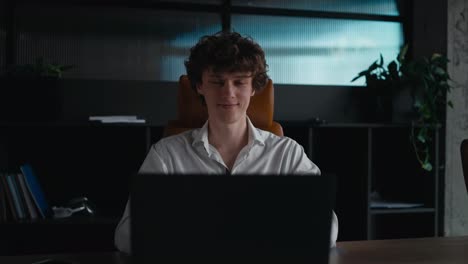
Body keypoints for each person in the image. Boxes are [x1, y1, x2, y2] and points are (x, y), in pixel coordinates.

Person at [114, 31, 338, 254]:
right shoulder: (166, 155)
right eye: (217, 82)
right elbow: (126, 235)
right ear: (200, 86)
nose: (228, 93)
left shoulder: (286, 153)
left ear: (253, 88)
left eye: (239, 82)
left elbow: (327, 228)